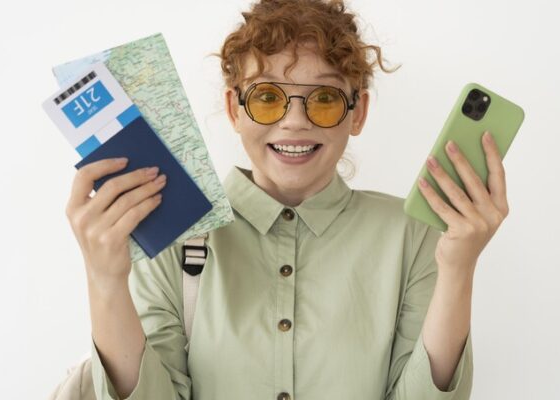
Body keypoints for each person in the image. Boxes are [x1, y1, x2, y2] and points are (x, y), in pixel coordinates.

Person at [64, 0, 510, 399]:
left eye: (324, 99)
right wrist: (104, 280)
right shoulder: (175, 229)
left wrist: (459, 268)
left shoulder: (414, 234)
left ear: (358, 114)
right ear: (235, 109)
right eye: (267, 96)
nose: (295, 121)